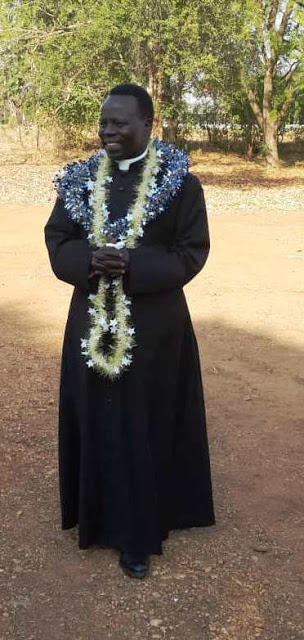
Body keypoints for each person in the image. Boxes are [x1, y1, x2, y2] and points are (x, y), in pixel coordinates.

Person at [45, 83, 215, 579]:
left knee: (145, 423)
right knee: (97, 418)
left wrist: (133, 267)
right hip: (89, 321)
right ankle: (95, 518)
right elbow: (58, 240)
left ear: (147, 124)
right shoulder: (78, 181)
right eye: (103, 123)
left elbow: (192, 251)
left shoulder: (181, 183)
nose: (108, 132)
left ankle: (139, 534)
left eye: (119, 123)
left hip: (155, 329)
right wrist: (88, 261)